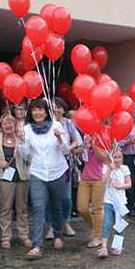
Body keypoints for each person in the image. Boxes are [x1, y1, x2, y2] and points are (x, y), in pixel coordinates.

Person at [19, 98, 70, 258]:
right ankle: (37, 245)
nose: (38, 112)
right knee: (38, 207)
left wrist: (60, 138)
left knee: (57, 204)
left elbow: (66, 150)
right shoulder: (26, 129)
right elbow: (25, 154)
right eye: (34, 110)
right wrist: (21, 140)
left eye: (41, 109)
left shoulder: (56, 125)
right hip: (38, 172)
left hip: (57, 171)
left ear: (46, 111)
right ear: (31, 112)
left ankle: (57, 235)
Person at [0, 115, 31, 250]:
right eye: (5, 123)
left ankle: (24, 235)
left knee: (22, 209)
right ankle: (6, 237)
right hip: (4, 178)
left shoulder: (22, 139)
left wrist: (23, 149)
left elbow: (29, 157)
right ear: (1, 126)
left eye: (11, 123)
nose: (8, 125)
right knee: (5, 208)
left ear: (15, 125)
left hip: (22, 176)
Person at [51, 98, 80, 237]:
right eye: (54, 107)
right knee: (51, 196)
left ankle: (65, 222)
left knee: (66, 197)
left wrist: (69, 147)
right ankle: (50, 225)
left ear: (64, 109)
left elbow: (76, 140)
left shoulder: (68, 123)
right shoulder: (46, 124)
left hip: (66, 164)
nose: (57, 110)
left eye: (59, 107)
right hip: (50, 164)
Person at [77, 134, 109, 249]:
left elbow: (103, 158)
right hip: (85, 177)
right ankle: (95, 228)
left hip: (98, 179)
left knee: (97, 209)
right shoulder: (86, 138)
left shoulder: (103, 139)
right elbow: (82, 158)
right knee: (82, 208)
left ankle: (97, 237)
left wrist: (94, 145)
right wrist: (82, 149)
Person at [98, 148, 132, 258]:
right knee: (107, 223)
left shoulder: (124, 169)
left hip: (120, 202)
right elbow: (103, 181)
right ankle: (103, 247)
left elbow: (129, 184)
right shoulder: (106, 168)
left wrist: (120, 185)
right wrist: (109, 169)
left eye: (119, 157)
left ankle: (117, 245)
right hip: (108, 200)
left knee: (119, 225)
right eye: (114, 157)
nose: (116, 160)